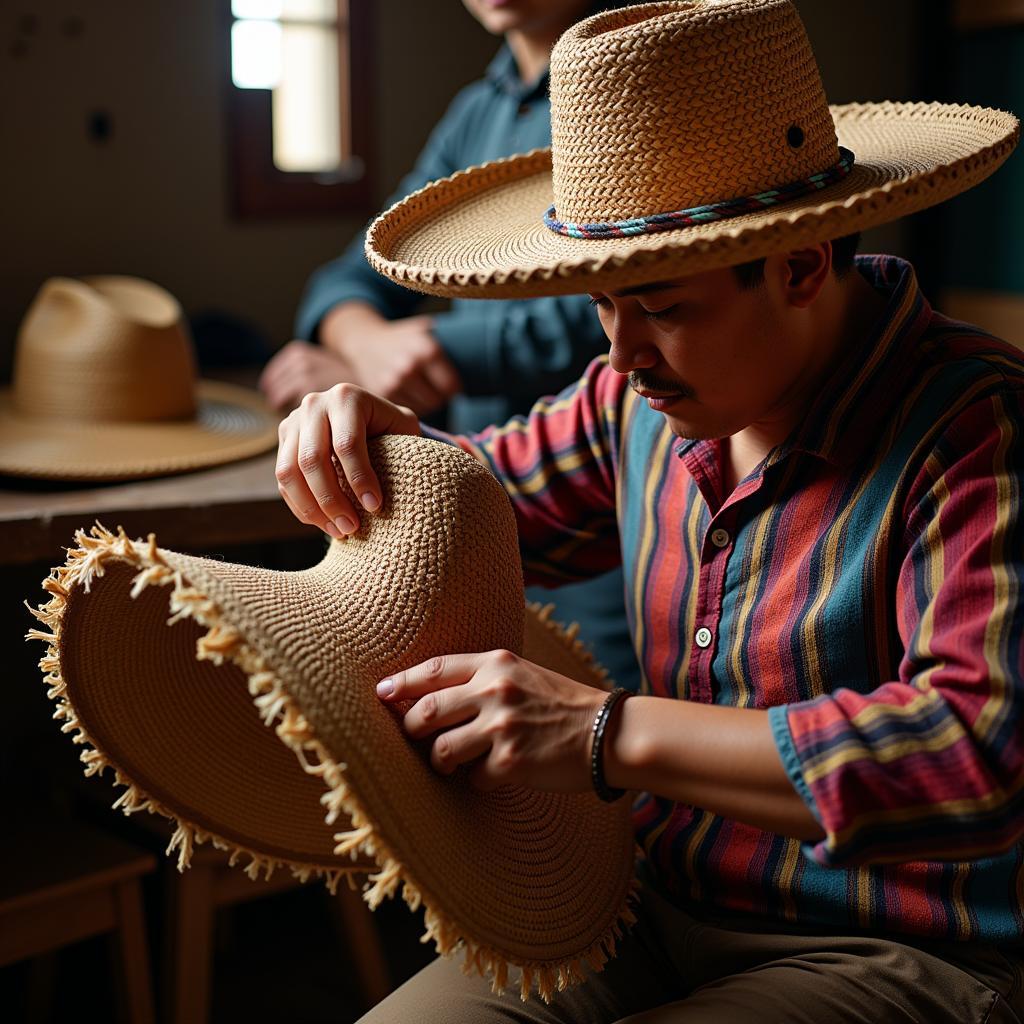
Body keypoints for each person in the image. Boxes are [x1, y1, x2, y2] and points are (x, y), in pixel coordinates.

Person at [273, 1, 1024, 1020]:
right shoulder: (627, 401)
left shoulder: (978, 426)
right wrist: (375, 444)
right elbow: (474, 512)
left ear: (801, 264)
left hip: (898, 943)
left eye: (664, 309)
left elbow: (970, 750)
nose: (623, 355)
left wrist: (603, 732)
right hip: (649, 904)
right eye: (601, 304)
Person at [260, 0, 638, 691]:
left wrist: (436, 344)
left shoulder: (635, 82)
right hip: (487, 477)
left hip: (606, 490)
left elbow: (628, 300)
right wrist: (370, 342)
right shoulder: (479, 109)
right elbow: (357, 269)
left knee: (603, 715)